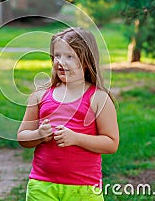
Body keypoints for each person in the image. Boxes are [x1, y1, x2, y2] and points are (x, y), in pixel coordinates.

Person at [17, 27, 119, 201]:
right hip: (42, 185)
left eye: (69, 56)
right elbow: (22, 137)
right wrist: (39, 135)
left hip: (84, 188)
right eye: (57, 55)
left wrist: (76, 138)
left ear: (86, 61)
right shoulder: (40, 96)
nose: (60, 62)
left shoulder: (98, 98)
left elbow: (111, 143)